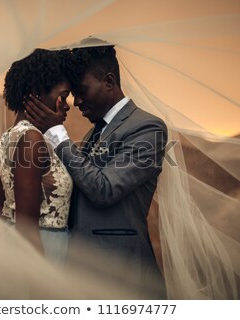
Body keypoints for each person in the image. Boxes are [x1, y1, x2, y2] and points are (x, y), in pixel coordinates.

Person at [24, 45, 168, 297]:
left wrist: (57, 134)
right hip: (83, 274)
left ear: (109, 81)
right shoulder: (93, 133)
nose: (76, 102)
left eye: (81, 91)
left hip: (123, 275)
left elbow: (105, 190)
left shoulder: (148, 128)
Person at [0, 48, 74, 266]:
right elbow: (27, 230)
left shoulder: (9, 136)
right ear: (37, 93)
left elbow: (2, 211)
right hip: (42, 252)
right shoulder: (32, 139)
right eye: (63, 97)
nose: (67, 105)